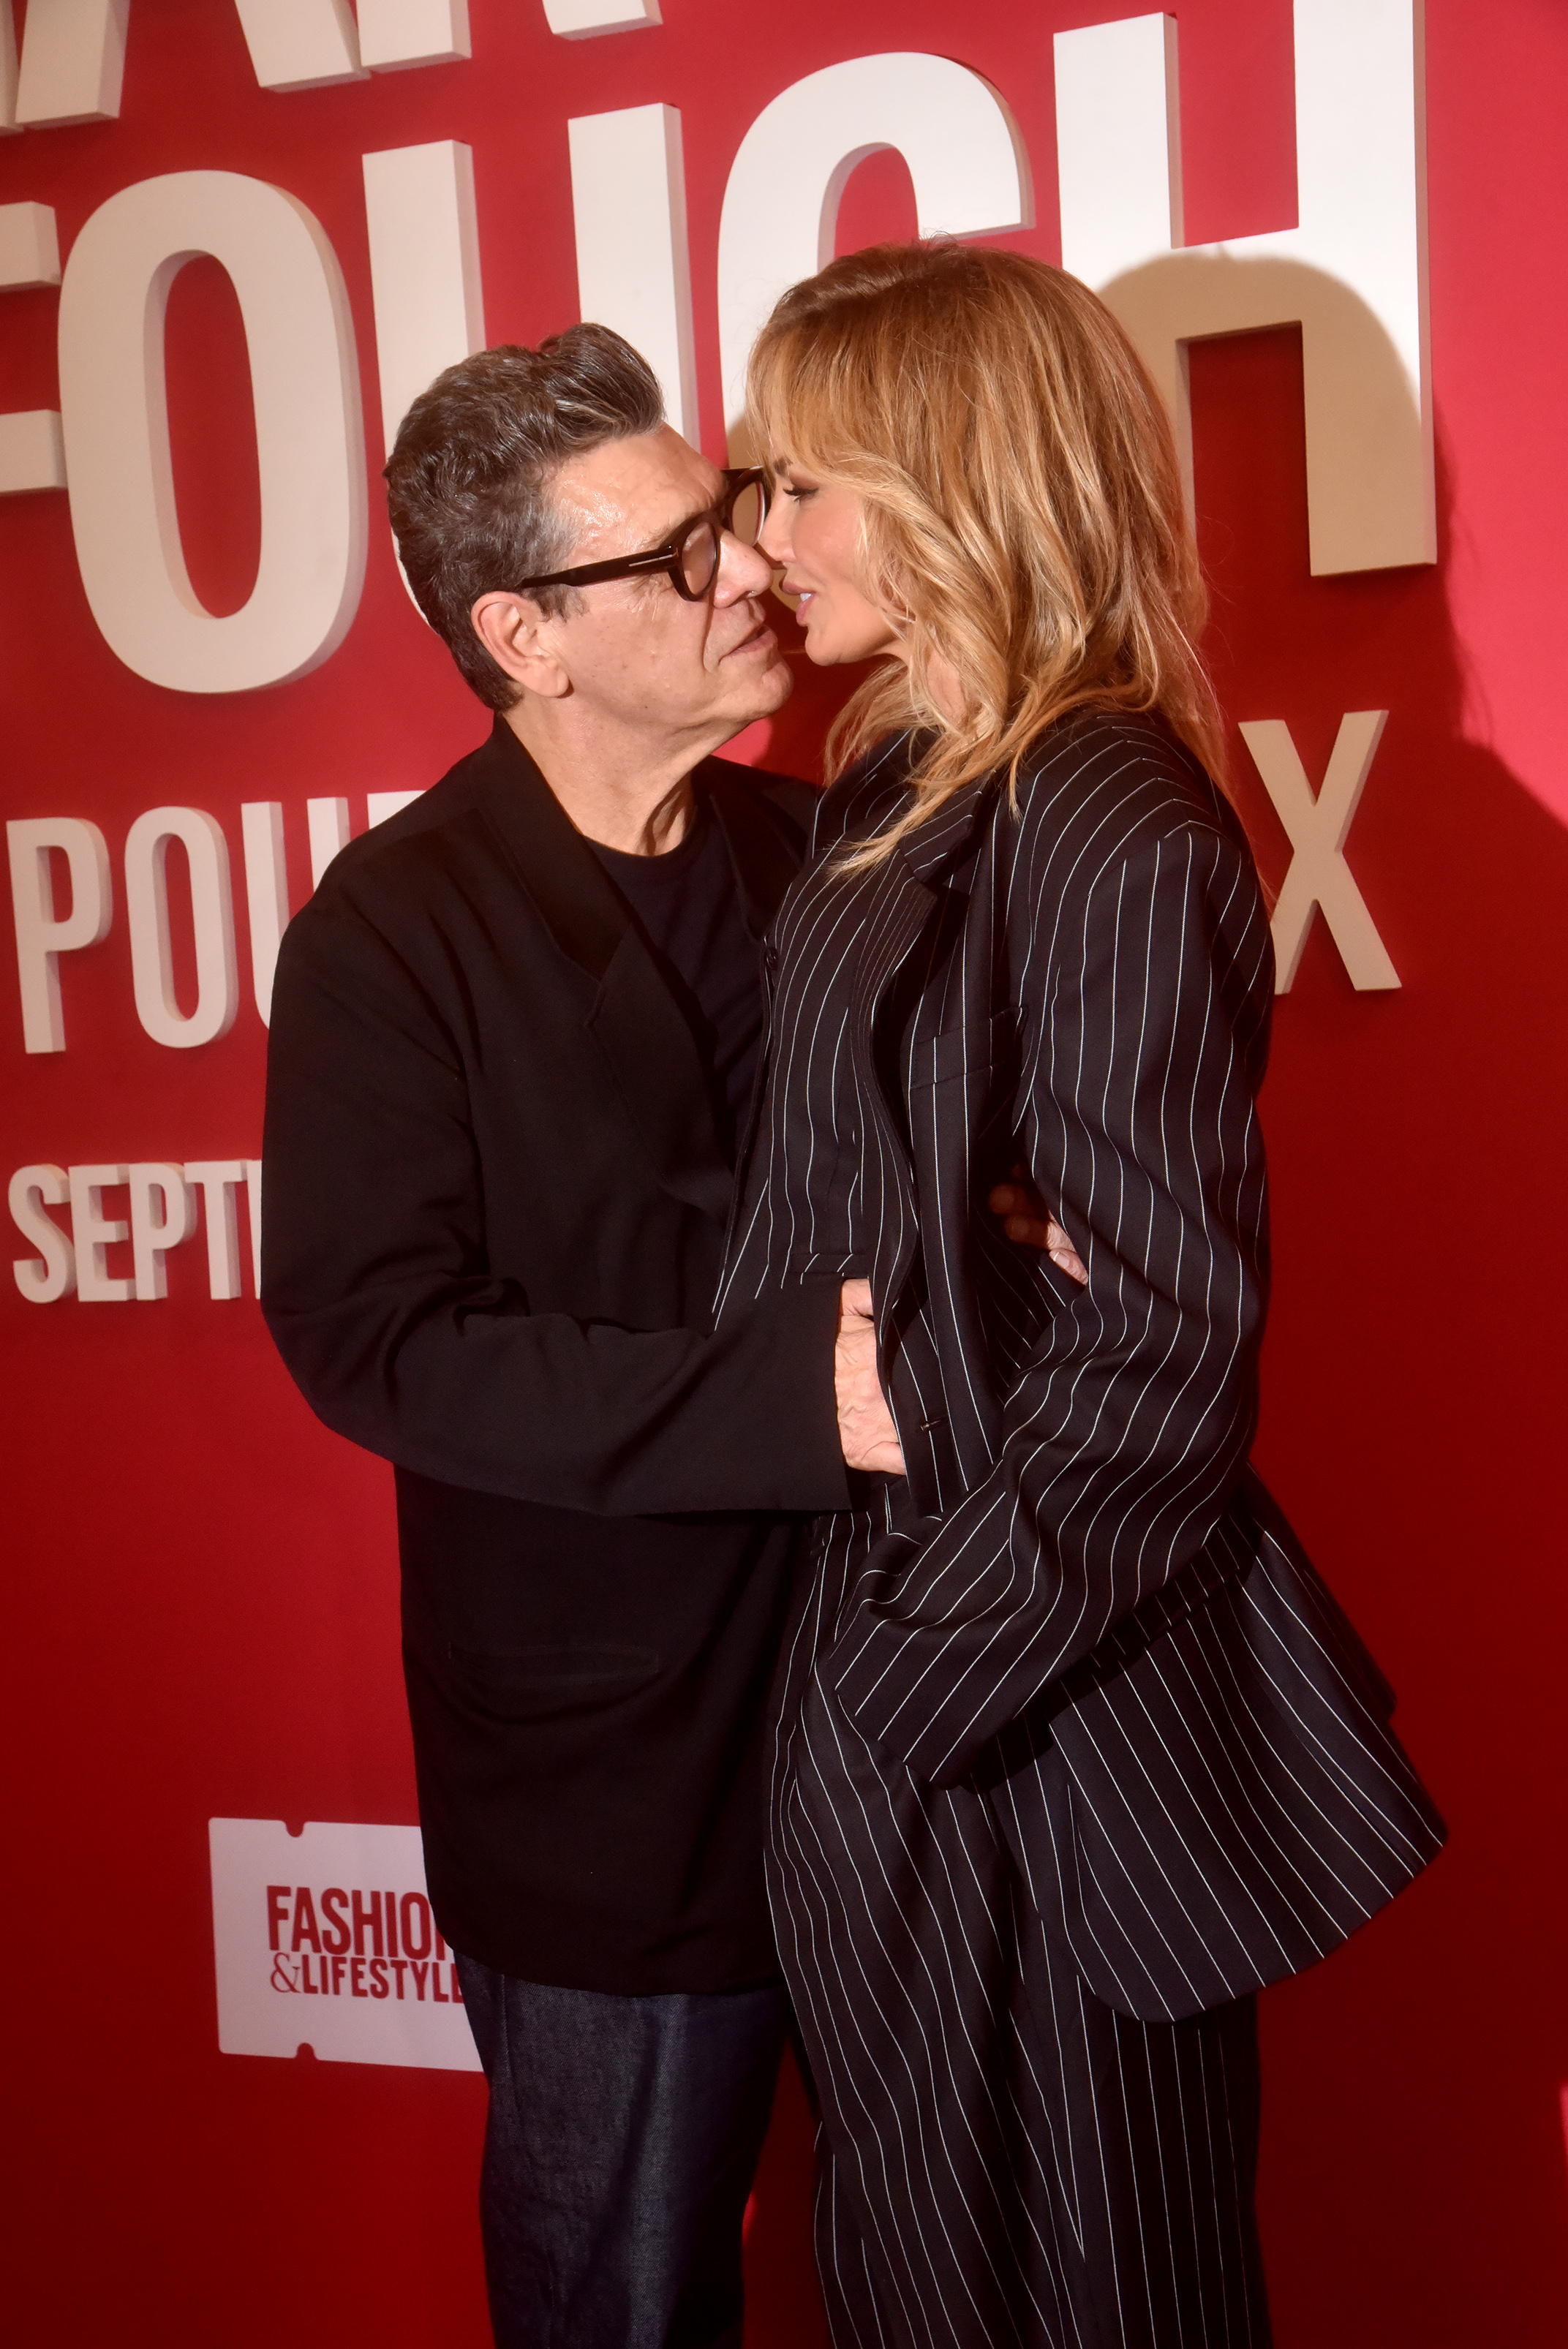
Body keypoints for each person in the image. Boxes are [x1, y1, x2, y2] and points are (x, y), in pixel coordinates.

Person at [260, 325, 1066, 2349]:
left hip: (899, 1724)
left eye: (733, 518)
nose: (749, 570)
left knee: (956, 2278)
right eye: (681, 552)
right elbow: (382, 1344)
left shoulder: (824, 850)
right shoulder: (391, 928)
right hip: (617, 1791)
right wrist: (802, 1389)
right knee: (624, 2302)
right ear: (523, 634)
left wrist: (1009, 1225)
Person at [715, 241, 1447, 2348]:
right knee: (918, 2268)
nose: (766, 538)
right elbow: (870, 1208)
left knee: (1101, 2285)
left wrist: (918, 1685)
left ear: (949, 479)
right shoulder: (890, 786)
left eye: (803, 482)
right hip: (876, 1636)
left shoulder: (1111, 805)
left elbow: (1165, 1346)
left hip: (1035, 1698)